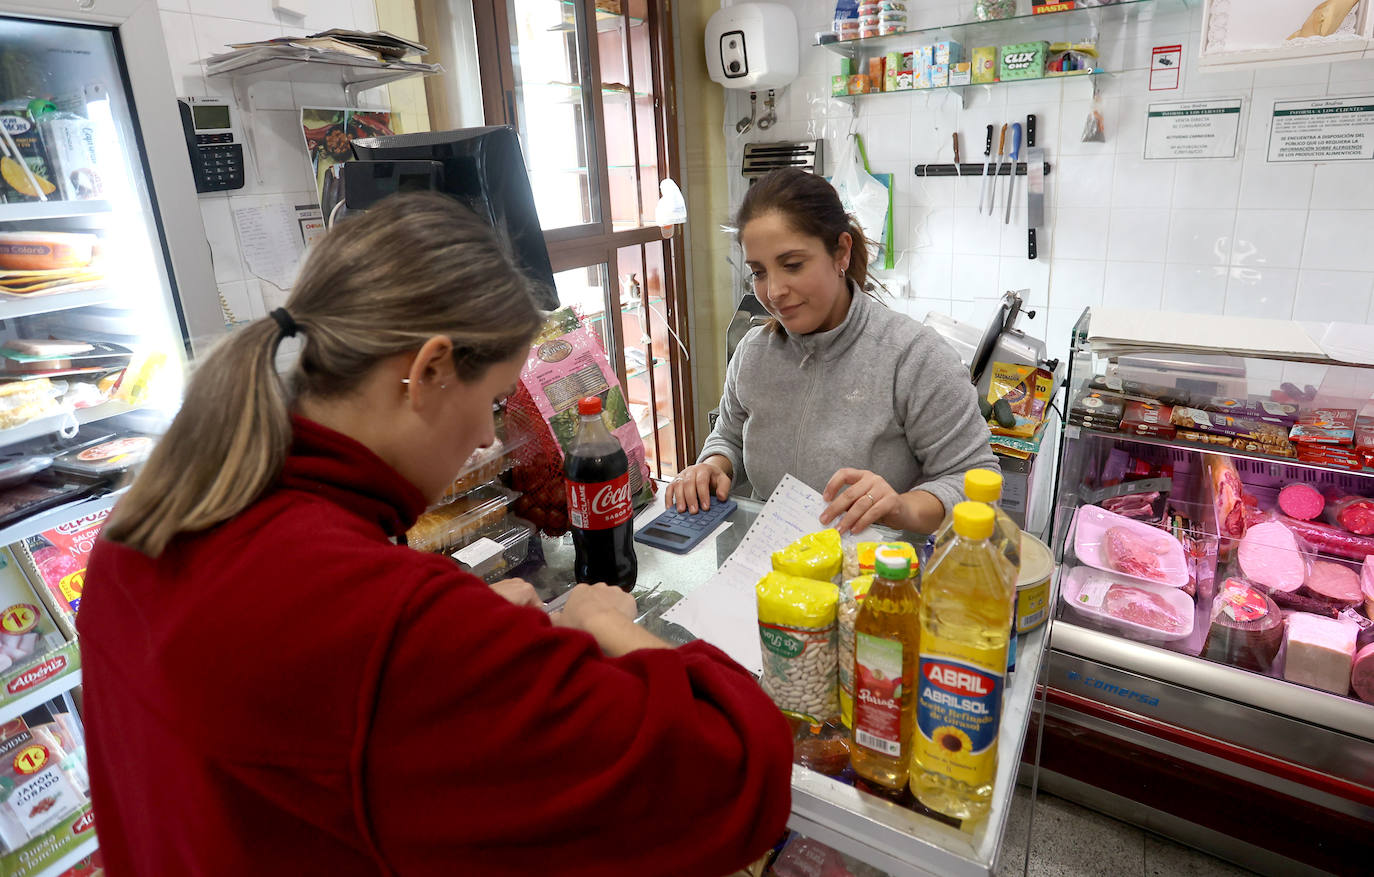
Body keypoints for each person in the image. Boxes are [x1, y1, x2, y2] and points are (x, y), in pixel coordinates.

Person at [79, 193, 792, 875]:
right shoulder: (390, 625)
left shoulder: (137, 534)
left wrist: (456, 617)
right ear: (427, 371)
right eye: (491, 402)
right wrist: (610, 626)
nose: (488, 435)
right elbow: (732, 766)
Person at [667, 168, 997, 536]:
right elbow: (729, 434)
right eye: (759, 272)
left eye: (792, 265)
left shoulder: (914, 358)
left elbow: (976, 486)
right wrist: (713, 465)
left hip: (877, 579)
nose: (774, 291)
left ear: (840, 251)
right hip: (770, 570)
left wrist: (900, 508)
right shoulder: (753, 354)